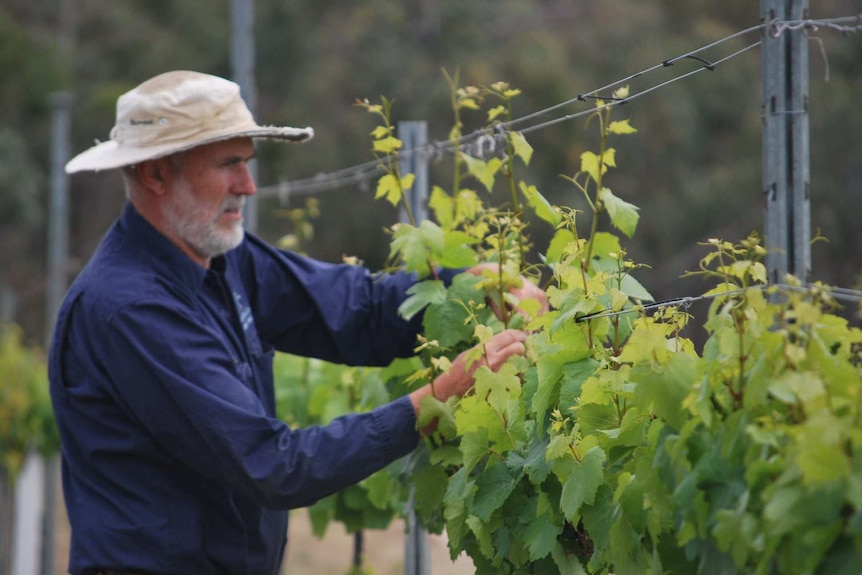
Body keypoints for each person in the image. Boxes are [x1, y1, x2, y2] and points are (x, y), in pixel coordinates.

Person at [49, 70, 547, 575]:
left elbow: (357, 311)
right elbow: (272, 466)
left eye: (247, 163)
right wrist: (435, 399)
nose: (248, 186)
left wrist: (471, 286)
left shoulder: (222, 257)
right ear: (156, 175)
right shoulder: (132, 311)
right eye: (228, 165)